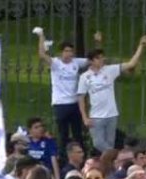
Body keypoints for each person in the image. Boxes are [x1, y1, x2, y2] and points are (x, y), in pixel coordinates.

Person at [33, 28, 102, 157]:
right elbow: (42, 54)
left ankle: (82, 157)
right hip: (60, 104)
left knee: (78, 134)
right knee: (63, 135)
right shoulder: (56, 63)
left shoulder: (76, 62)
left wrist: (98, 43)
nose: (69, 54)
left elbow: (93, 59)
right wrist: (41, 35)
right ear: (61, 52)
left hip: (74, 104)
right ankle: (63, 159)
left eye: (71, 51)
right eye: (66, 51)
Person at [77, 35, 146, 152]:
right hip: (96, 116)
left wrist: (141, 46)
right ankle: (117, 156)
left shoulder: (110, 70)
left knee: (109, 143)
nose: (102, 60)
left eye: (102, 57)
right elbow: (81, 97)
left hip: (111, 115)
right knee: (98, 143)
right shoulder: (85, 77)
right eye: (98, 58)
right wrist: (84, 117)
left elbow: (131, 64)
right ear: (91, 61)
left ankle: (108, 164)